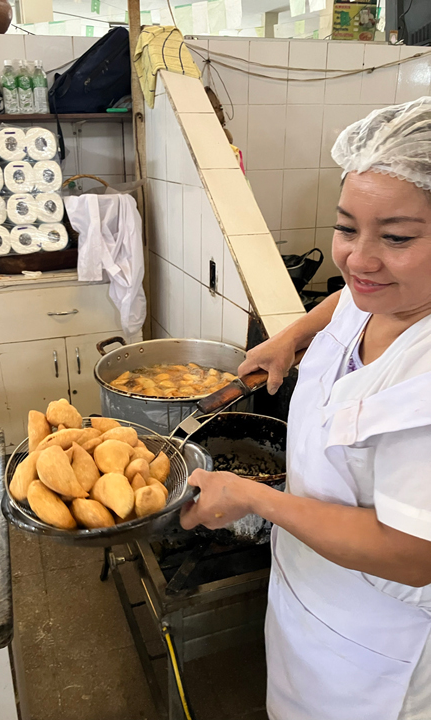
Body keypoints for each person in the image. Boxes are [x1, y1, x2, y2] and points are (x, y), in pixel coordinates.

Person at [180, 97, 431, 720]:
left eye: (396, 237)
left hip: (378, 644)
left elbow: (414, 554)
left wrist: (254, 498)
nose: (358, 259)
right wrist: (291, 336)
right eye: (347, 227)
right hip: (307, 585)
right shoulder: (381, 291)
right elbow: (344, 298)